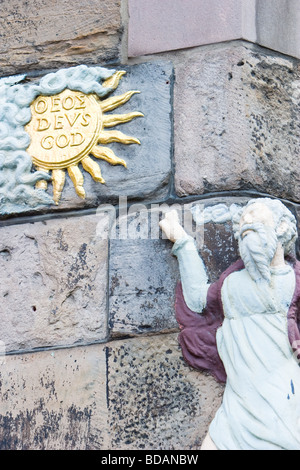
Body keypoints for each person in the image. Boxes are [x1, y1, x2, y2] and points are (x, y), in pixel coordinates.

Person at [159, 198, 300, 450]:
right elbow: (198, 298)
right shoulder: (232, 285)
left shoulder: (295, 279)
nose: (246, 220)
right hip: (239, 404)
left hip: (286, 401)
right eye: (243, 218)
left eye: (255, 214)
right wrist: (182, 241)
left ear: (281, 227)